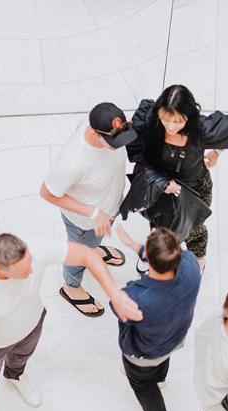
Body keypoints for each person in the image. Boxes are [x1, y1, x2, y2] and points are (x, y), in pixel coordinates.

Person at [0, 233, 142, 411]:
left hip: (31, 325)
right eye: (24, 271)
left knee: (21, 358)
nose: (32, 270)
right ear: (0, 268)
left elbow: (87, 254)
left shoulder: (34, 250)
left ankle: (15, 376)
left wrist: (114, 294)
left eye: (30, 264)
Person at [125, 85, 228, 273]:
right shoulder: (149, 121)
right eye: (165, 119)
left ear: (189, 117)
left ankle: (197, 260)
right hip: (158, 184)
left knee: (193, 228)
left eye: (178, 121)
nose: (170, 127)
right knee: (157, 220)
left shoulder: (201, 129)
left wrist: (217, 151)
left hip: (193, 186)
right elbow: (138, 156)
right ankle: (154, 252)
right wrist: (160, 182)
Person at [40, 102, 138, 317]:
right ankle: (71, 287)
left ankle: (93, 251)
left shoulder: (100, 123)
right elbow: (47, 192)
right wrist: (93, 213)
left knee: (93, 243)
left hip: (107, 209)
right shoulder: (72, 161)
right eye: (114, 141)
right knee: (78, 254)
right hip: (84, 222)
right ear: (95, 132)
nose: (119, 145)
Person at [114, 225, 202, 411]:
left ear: (147, 258)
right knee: (162, 359)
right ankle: (161, 379)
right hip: (175, 337)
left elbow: (117, 306)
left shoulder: (137, 298)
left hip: (142, 354)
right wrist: (132, 244)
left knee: (144, 387)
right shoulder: (192, 266)